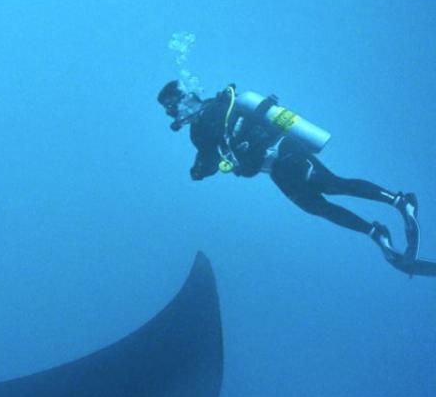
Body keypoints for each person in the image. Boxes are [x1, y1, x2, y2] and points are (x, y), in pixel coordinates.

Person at [157, 80, 424, 273]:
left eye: (174, 106)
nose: (175, 114)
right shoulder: (198, 134)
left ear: (188, 97)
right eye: (170, 111)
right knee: (315, 207)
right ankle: (375, 233)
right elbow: (210, 159)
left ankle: (400, 202)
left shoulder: (222, 104)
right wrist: (199, 171)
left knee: (331, 185)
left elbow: (239, 134)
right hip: (273, 169)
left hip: (283, 150)